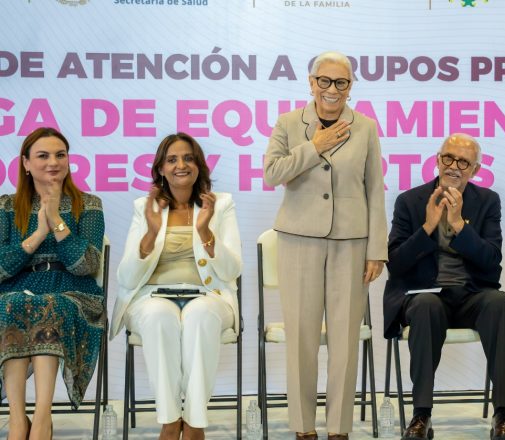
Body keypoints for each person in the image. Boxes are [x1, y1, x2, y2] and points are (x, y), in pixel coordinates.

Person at [263, 50, 387, 440]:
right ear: (311, 82)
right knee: (301, 337)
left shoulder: (365, 127)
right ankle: (303, 428)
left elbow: (374, 189)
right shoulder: (288, 123)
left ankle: (339, 429)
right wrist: (313, 146)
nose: (333, 90)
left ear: (351, 87)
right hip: (298, 239)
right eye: (325, 81)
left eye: (342, 83)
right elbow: (272, 173)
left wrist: (376, 249)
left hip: (351, 243)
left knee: (345, 340)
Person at [383, 133, 505, 440]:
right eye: (448, 158)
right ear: (437, 160)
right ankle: (421, 416)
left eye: (463, 162)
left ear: (475, 170)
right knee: (427, 306)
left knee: (501, 303)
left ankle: (503, 416)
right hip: (426, 295)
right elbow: (396, 263)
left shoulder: (486, 201)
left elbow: (491, 262)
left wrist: (459, 225)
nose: (454, 166)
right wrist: (429, 226)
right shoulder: (410, 201)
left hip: (471, 295)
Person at [111, 133, 242, 440]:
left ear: (199, 166)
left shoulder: (221, 204)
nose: (180, 165)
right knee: (159, 317)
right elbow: (127, 278)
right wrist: (150, 235)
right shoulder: (144, 207)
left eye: (188, 158)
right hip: (151, 296)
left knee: (200, 316)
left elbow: (232, 269)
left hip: (208, 295)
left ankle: (195, 423)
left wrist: (205, 231)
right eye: (172, 159)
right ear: (160, 168)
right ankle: (170, 421)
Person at [0, 127, 105, 440]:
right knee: (14, 304)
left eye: (60, 154)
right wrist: (37, 234)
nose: (53, 162)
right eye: (43, 155)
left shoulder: (87, 204)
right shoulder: (6, 206)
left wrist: (56, 220)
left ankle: (42, 417)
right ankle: (18, 419)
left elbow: (87, 265)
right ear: (26, 163)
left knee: (48, 304)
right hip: (17, 288)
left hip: (73, 290)